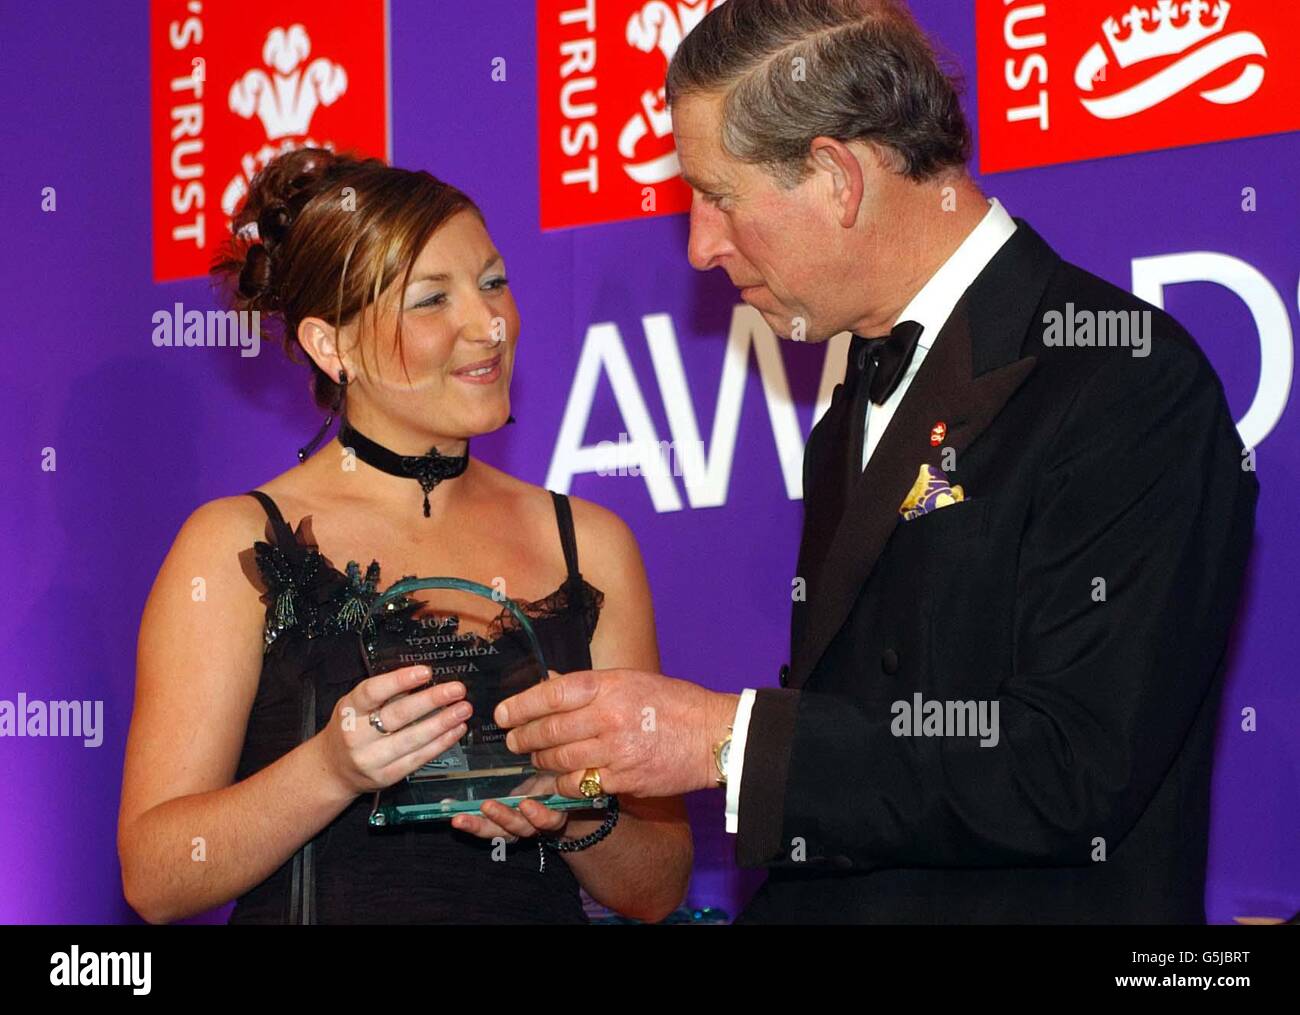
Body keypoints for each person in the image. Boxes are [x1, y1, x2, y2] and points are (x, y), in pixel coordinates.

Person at [495, 0, 1258, 923]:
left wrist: (726, 741)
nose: (699, 245)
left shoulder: (1124, 379)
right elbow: (865, 790)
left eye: (717, 195)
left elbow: (1073, 764)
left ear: (836, 177)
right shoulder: (853, 400)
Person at [118, 148, 691, 924]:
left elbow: (659, 885)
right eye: (432, 300)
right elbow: (155, 874)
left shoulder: (587, 542)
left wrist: (576, 810)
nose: (488, 324)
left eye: (493, 282)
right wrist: (330, 767)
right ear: (333, 345)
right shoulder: (238, 543)